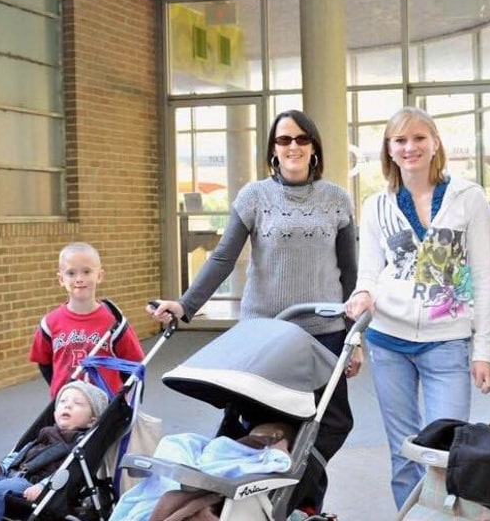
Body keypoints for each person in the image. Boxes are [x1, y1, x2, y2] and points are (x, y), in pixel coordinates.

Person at [148, 109, 359, 517]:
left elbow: (350, 273)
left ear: (314, 147)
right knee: (260, 427)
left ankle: (300, 507)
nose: (293, 146)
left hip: (323, 334)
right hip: (267, 337)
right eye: (284, 140)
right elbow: (224, 257)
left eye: (301, 139)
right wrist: (185, 305)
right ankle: (234, 507)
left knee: (324, 427)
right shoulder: (254, 196)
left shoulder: (335, 198)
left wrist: (355, 337)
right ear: (272, 150)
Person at [344, 106, 490, 510]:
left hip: (446, 342)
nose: (410, 147)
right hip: (388, 340)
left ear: (434, 144)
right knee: (402, 452)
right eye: (400, 140)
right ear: (389, 150)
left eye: (418, 138)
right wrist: (363, 295)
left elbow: (484, 277)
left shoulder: (469, 198)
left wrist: (483, 350)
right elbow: (370, 273)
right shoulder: (377, 205)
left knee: (447, 450)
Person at [0, 381, 108, 521]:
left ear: (91, 421)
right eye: (63, 401)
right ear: (54, 413)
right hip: (11, 476)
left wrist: (44, 487)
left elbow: (68, 471)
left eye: (78, 403)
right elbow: (22, 453)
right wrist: (1, 468)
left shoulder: (79, 442)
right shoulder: (46, 432)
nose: (67, 405)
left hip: (32, 483)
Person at [29, 242, 145, 398]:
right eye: (71, 273)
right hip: (66, 407)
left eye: (86, 272)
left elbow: (132, 363)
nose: (79, 279)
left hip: (104, 407)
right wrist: (60, 390)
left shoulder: (114, 321)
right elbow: (44, 363)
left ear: (99, 276)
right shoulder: (50, 323)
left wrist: (118, 397)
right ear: (61, 279)